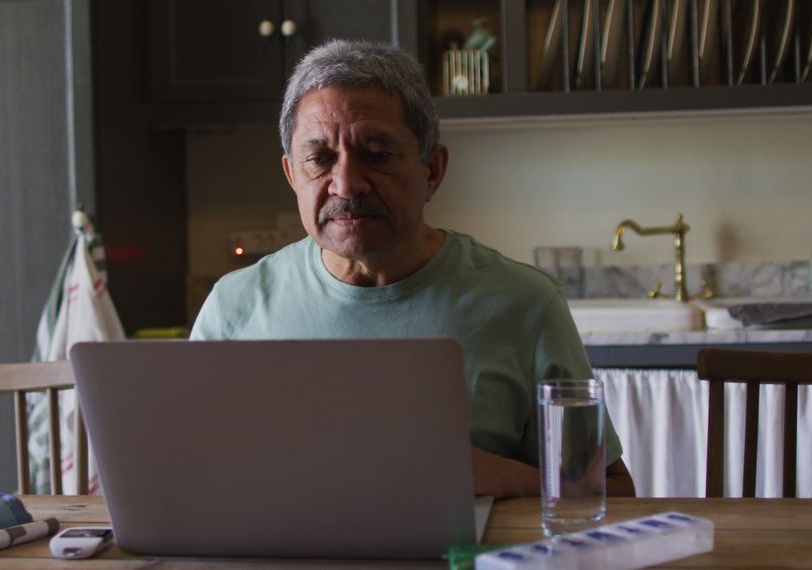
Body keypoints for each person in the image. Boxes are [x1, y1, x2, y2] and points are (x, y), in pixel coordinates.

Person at [191, 39, 635, 498]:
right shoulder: (234, 306)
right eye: (320, 159)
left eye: (378, 153)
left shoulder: (526, 305)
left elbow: (613, 494)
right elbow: (186, 476)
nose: (346, 183)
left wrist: (498, 476)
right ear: (291, 174)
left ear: (433, 172)